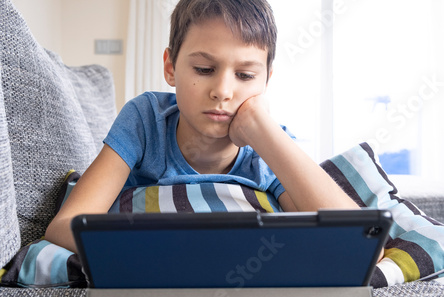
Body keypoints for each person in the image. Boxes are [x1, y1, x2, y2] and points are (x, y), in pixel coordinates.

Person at [45, 0, 367, 257]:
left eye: (245, 75)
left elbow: (355, 238)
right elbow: (64, 227)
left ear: (267, 80)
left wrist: (261, 126)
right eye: (204, 69)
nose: (223, 91)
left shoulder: (268, 145)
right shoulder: (144, 120)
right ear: (170, 67)